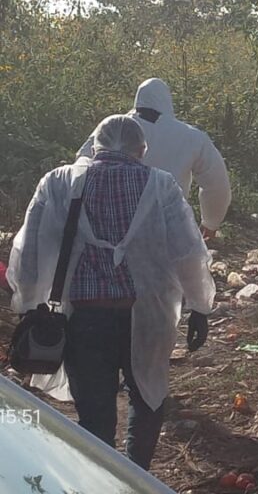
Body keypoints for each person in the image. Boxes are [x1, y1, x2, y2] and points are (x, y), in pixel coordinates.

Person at [7, 115, 215, 471]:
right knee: (147, 396)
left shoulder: (58, 182)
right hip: (147, 315)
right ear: (142, 148)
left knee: (95, 413)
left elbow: (28, 251)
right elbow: (188, 251)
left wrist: (28, 303)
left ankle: (102, 477)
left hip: (85, 318)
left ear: (94, 146)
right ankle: (137, 476)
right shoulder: (160, 185)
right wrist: (200, 306)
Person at [78, 78, 231, 240]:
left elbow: (81, 163)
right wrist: (211, 222)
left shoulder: (112, 127)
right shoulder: (192, 137)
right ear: (168, 101)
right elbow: (216, 184)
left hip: (110, 223)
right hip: (167, 227)